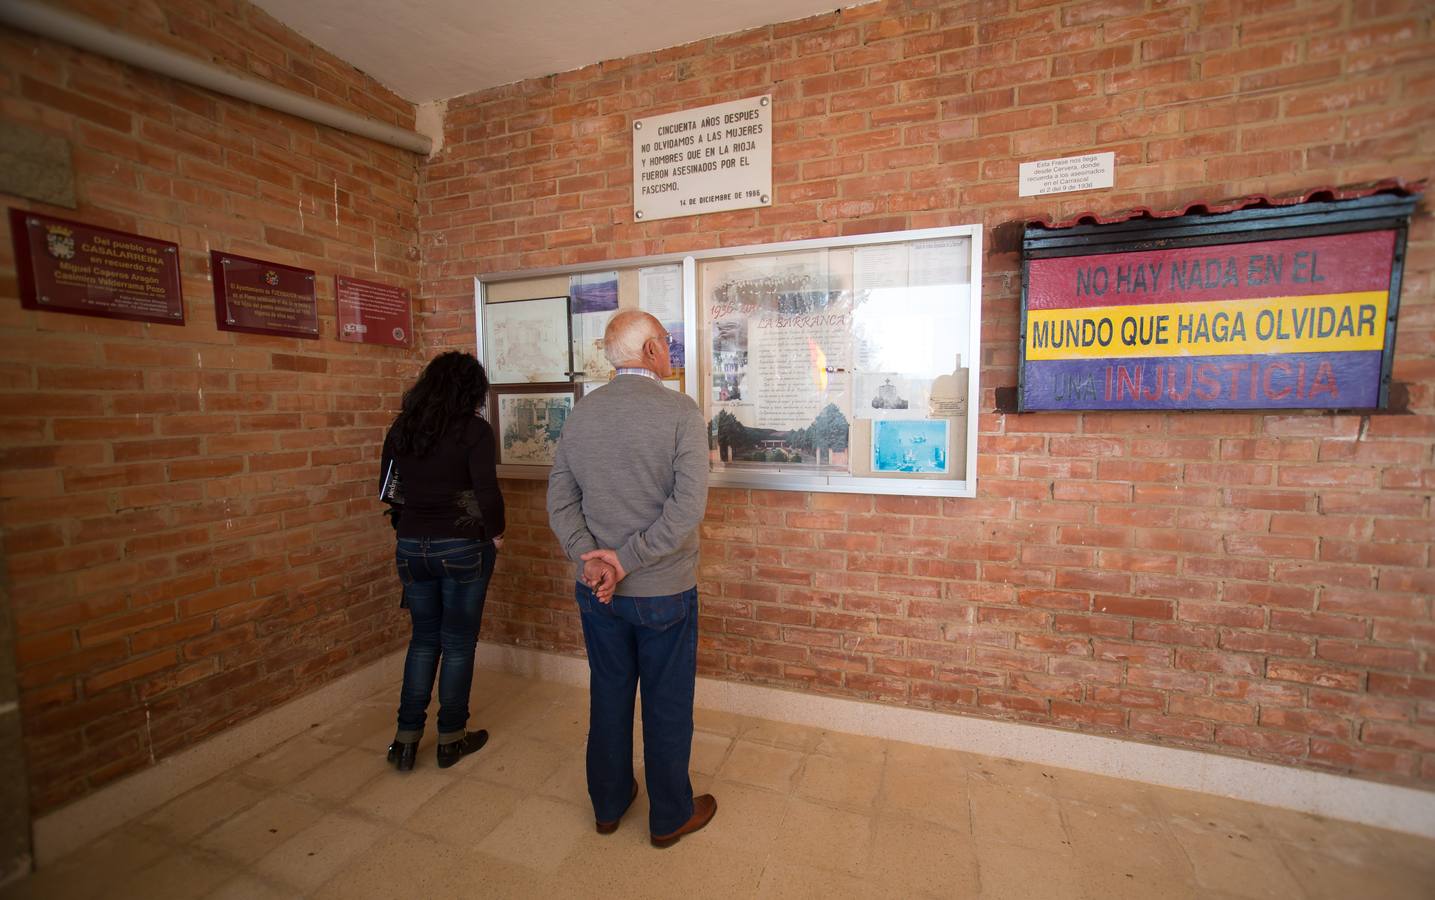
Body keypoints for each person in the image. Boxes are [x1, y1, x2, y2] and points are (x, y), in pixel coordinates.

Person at [546, 309, 716, 848]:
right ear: (649, 352)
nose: (670, 352)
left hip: (598, 590)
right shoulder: (680, 413)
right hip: (662, 589)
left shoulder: (583, 414)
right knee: (666, 704)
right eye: (666, 343)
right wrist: (629, 559)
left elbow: (560, 500)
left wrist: (593, 559)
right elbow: (687, 507)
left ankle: (609, 804)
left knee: (609, 694)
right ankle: (670, 817)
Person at [380, 351, 504, 771]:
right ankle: (452, 736)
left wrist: (415, 521)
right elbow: (485, 491)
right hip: (463, 545)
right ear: (471, 390)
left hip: (412, 546)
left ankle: (405, 739)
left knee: (422, 641)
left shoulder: (403, 429)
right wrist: (495, 532)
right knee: (457, 644)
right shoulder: (474, 431)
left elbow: (389, 490)